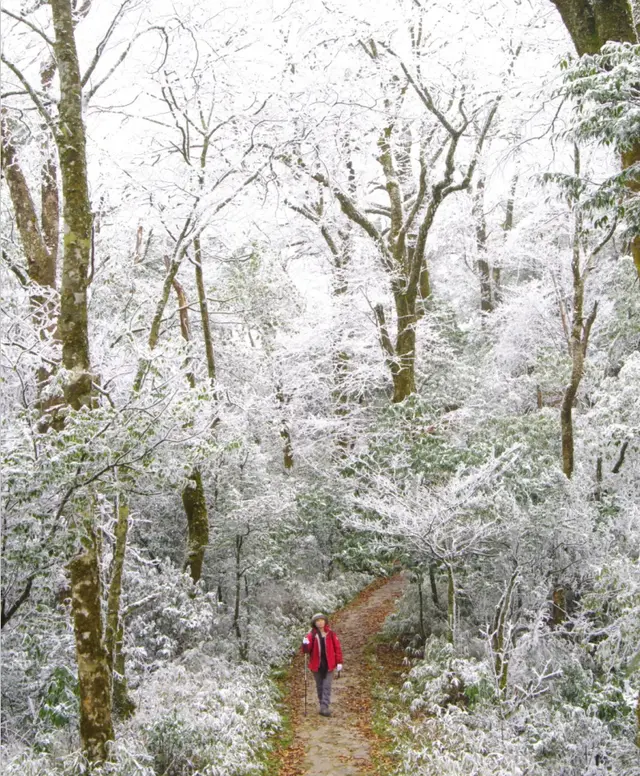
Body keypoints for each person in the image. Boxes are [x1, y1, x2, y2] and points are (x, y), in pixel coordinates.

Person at [301, 612, 343, 717]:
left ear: (325, 621)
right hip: (316, 665)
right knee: (320, 686)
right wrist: (305, 643)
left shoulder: (331, 634)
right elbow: (306, 650)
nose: (320, 622)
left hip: (329, 665)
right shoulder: (311, 635)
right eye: (317, 621)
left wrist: (339, 662)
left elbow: (337, 648)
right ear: (314, 623)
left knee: (327, 686)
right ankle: (322, 705)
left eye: (321, 620)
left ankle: (324, 707)